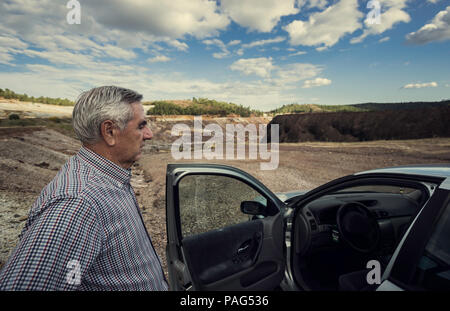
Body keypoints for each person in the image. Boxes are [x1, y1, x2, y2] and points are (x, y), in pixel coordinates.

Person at [0, 86, 168, 290]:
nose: (149, 134)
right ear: (110, 132)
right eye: (141, 126)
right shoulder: (79, 203)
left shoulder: (107, 178)